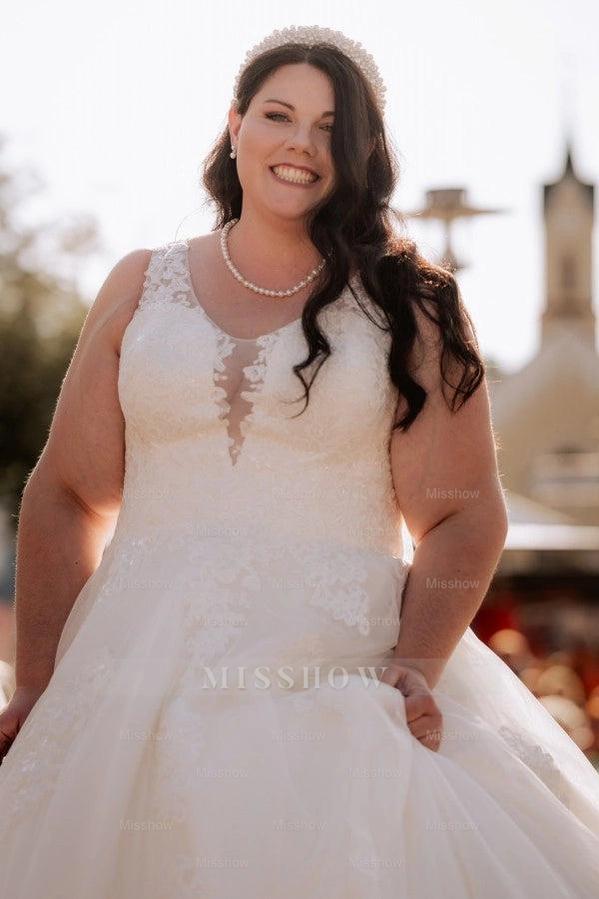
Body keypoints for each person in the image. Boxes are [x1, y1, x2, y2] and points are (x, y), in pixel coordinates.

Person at [0, 24, 598, 899]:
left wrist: (416, 665)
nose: (301, 145)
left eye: (330, 128)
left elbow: (465, 513)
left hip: (345, 684)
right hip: (126, 685)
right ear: (234, 125)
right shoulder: (138, 285)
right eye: (278, 115)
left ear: (362, 152)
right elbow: (65, 492)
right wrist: (38, 683)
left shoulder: (410, 304)